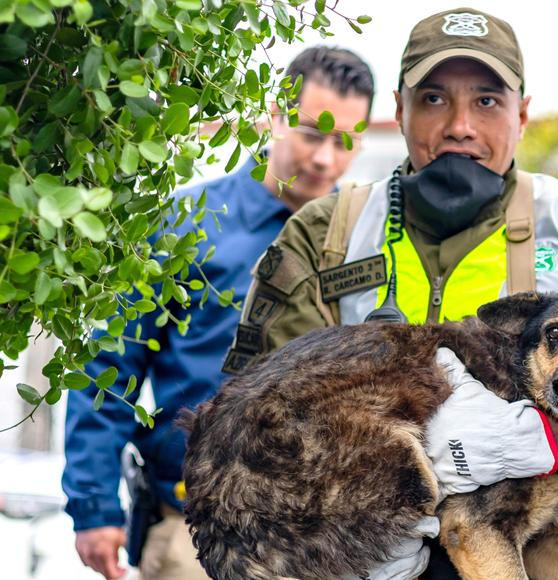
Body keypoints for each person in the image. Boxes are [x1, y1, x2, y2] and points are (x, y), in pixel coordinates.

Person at [227, 7, 558, 578]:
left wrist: (555, 443)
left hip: (539, 552)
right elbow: (251, 418)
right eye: (435, 99)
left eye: (488, 101)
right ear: (400, 109)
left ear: (522, 114)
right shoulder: (325, 234)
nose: (460, 125)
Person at [62, 46, 375, 580]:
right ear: (274, 116)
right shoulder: (187, 224)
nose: (326, 158)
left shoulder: (368, 234)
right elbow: (110, 365)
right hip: (197, 530)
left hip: (334, 541)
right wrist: (94, 506)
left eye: (344, 140)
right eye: (311, 132)